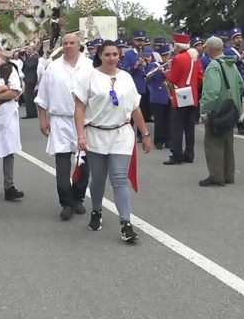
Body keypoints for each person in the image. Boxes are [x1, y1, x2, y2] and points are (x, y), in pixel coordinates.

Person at [73, 40, 152, 243]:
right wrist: (80, 135)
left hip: (121, 135)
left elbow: (135, 108)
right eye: (107, 54)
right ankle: (96, 211)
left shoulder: (126, 77)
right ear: (100, 55)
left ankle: (126, 224)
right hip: (96, 134)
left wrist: (145, 134)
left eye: (115, 54)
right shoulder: (88, 77)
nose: (111, 58)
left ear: (119, 56)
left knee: (119, 178)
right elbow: (80, 108)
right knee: (98, 178)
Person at [35, 33, 93, 220]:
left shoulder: (89, 66)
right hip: (60, 121)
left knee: (83, 165)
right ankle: (66, 202)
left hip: (84, 121)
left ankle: (78, 198)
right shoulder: (53, 67)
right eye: (65, 43)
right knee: (62, 166)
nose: (68, 46)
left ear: (78, 45)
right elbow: (42, 96)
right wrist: (43, 119)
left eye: (72, 43)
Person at [199, 36, 244, 187]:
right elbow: (241, 84)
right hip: (231, 109)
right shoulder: (231, 63)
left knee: (213, 143)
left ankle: (216, 176)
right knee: (227, 142)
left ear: (210, 49)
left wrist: (205, 110)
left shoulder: (213, 66)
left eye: (206, 47)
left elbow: (212, 92)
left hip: (218, 110)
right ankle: (228, 174)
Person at [0, 40, 25, 201]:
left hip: (8, 114)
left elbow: (15, 91)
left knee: (9, 149)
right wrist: (3, 89)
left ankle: (9, 186)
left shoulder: (10, 68)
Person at [164, 32, 202, 165]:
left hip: (180, 94)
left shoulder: (178, 58)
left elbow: (172, 78)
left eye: (174, 44)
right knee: (189, 126)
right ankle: (189, 153)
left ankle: (177, 154)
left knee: (177, 126)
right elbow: (199, 77)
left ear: (178, 45)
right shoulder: (195, 58)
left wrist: (167, 72)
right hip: (192, 94)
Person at [145, 44, 171, 150]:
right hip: (157, 96)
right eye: (164, 55)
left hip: (168, 95)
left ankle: (169, 140)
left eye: (167, 55)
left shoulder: (169, 65)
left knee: (169, 120)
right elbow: (147, 79)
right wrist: (157, 71)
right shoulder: (153, 65)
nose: (166, 58)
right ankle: (159, 141)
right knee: (159, 121)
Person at [22, 45, 40, 119]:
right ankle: (31, 113)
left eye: (29, 49)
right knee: (28, 96)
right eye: (27, 49)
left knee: (29, 96)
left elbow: (29, 65)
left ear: (33, 50)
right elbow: (24, 67)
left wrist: (24, 59)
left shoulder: (35, 57)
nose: (28, 51)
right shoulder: (29, 57)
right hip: (28, 78)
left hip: (31, 79)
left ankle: (31, 113)